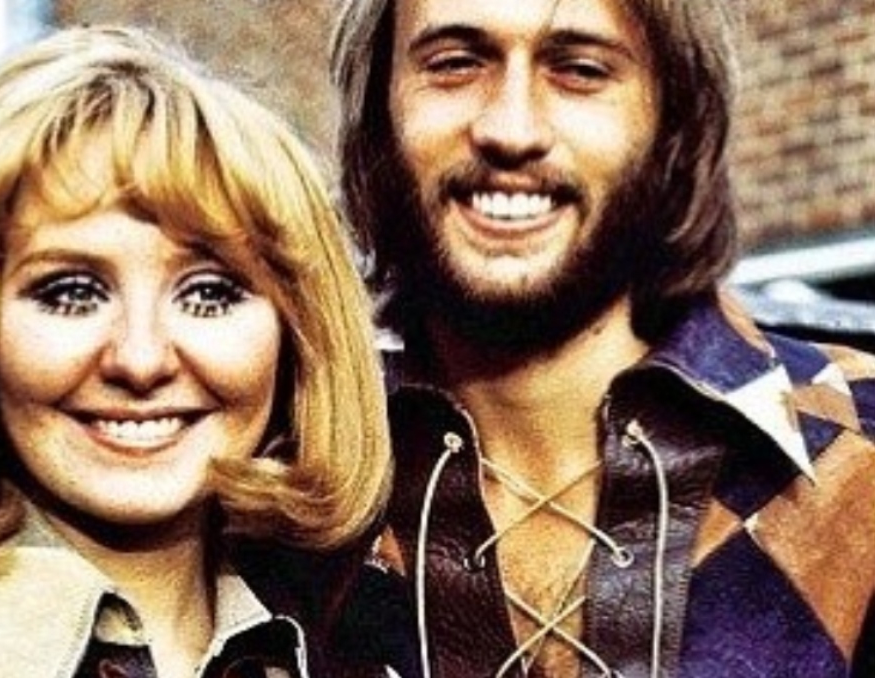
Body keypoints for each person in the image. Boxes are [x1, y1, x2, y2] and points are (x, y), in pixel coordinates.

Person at [0, 24, 405, 678]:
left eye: (209, 293)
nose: (141, 360)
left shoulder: (370, 661)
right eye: (71, 292)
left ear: (297, 336)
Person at [331, 0, 875, 676]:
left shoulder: (859, 449)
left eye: (581, 70)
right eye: (455, 63)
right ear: (377, 111)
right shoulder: (286, 468)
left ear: (673, 119)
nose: (511, 129)